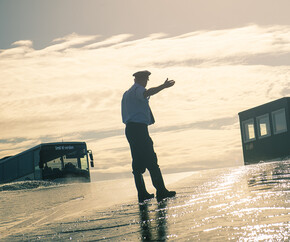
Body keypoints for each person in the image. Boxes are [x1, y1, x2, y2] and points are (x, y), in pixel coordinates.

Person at [121, 70, 176, 203]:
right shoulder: (138, 90)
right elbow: (146, 93)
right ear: (141, 80)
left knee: (137, 163)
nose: (146, 82)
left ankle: (142, 194)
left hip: (130, 129)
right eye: (145, 80)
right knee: (151, 160)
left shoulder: (127, 93)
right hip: (139, 129)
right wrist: (163, 86)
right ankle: (161, 191)